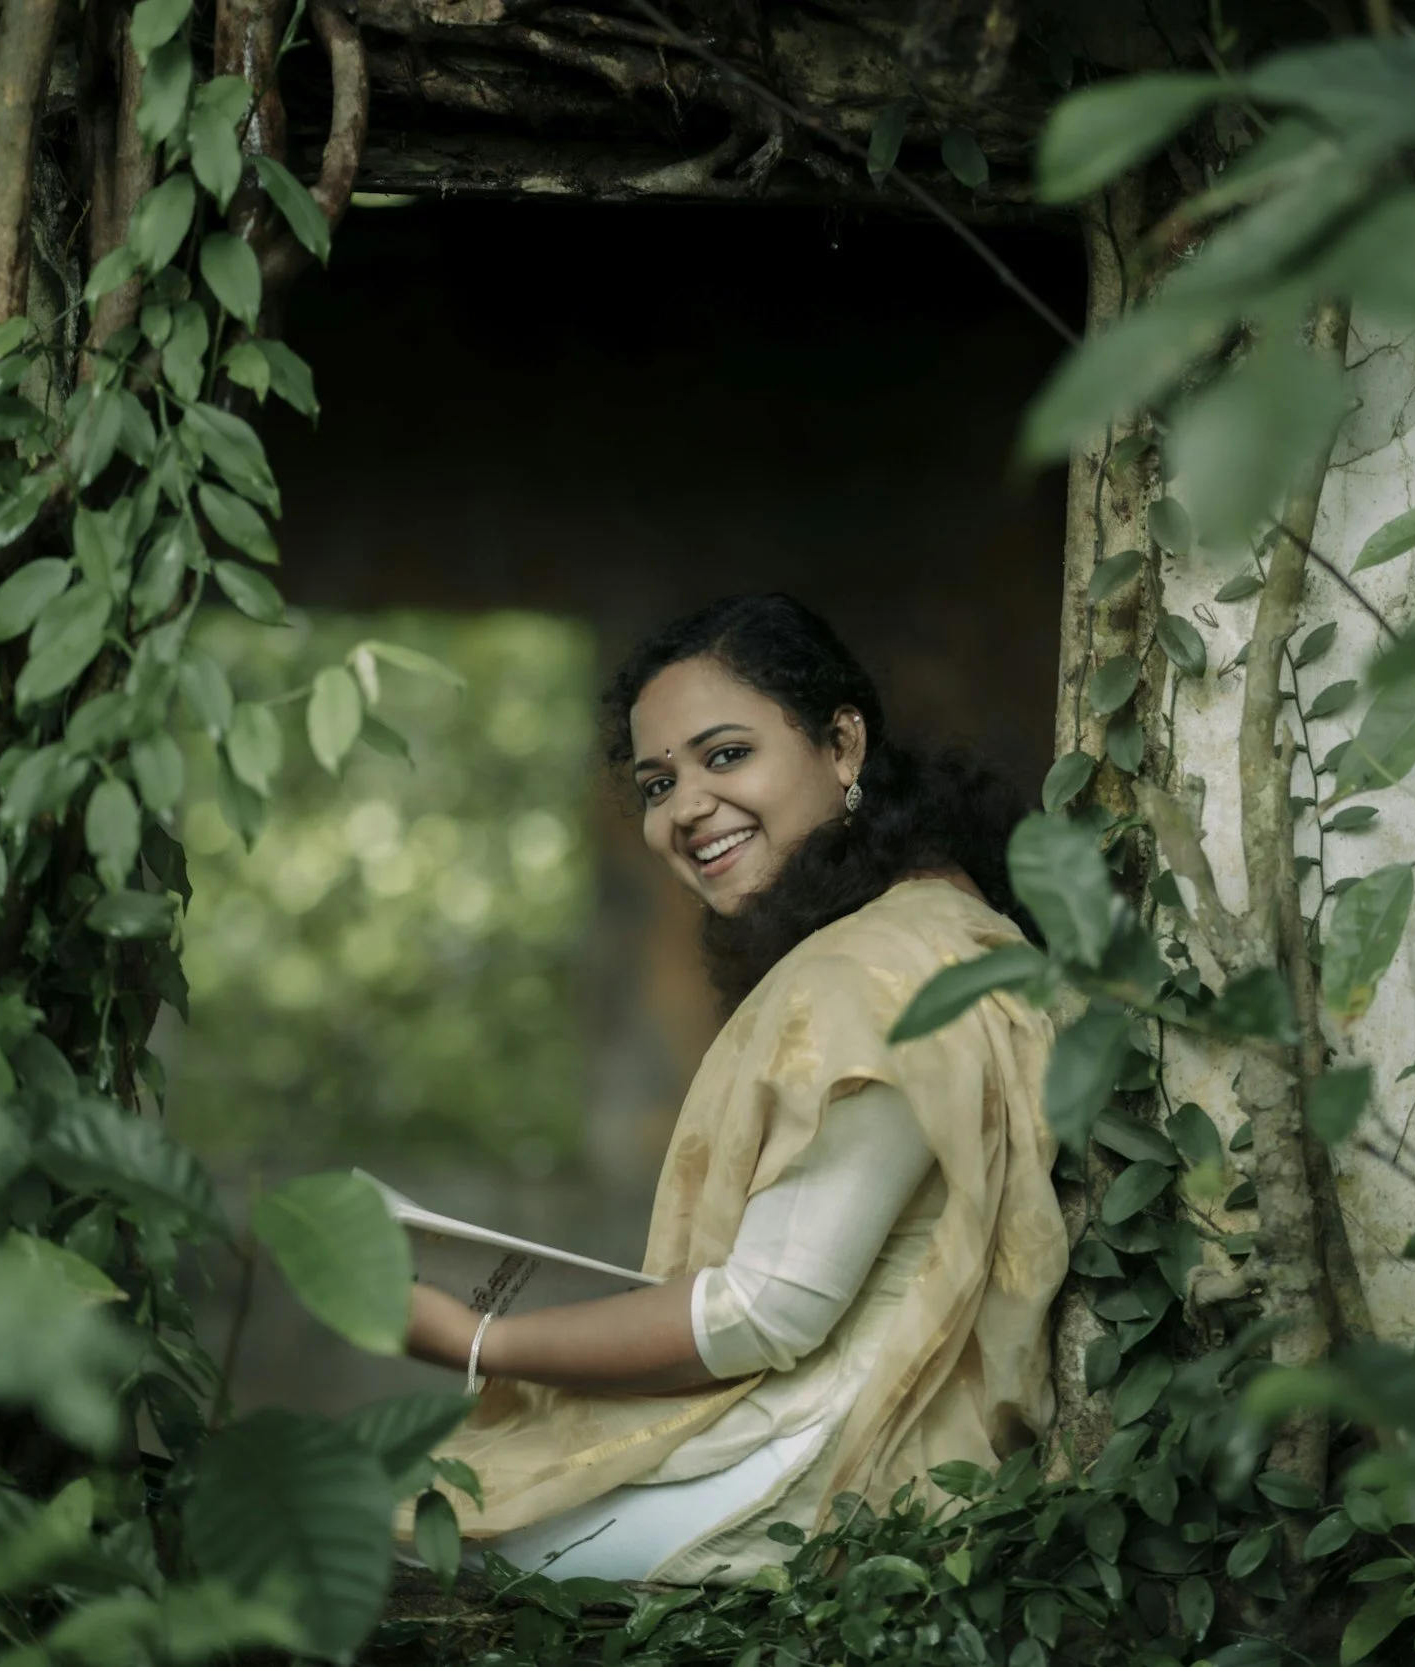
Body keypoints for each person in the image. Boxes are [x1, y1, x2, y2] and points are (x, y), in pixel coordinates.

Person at [401, 594, 1067, 1585]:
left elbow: (765, 1311)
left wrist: (481, 1339)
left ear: (842, 743)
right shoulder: (939, 927)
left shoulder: (874, 969)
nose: (686, 809)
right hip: (844, 1426)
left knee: (399, 1522)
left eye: (725, 755)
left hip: (840, 1459)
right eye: (659, 782)